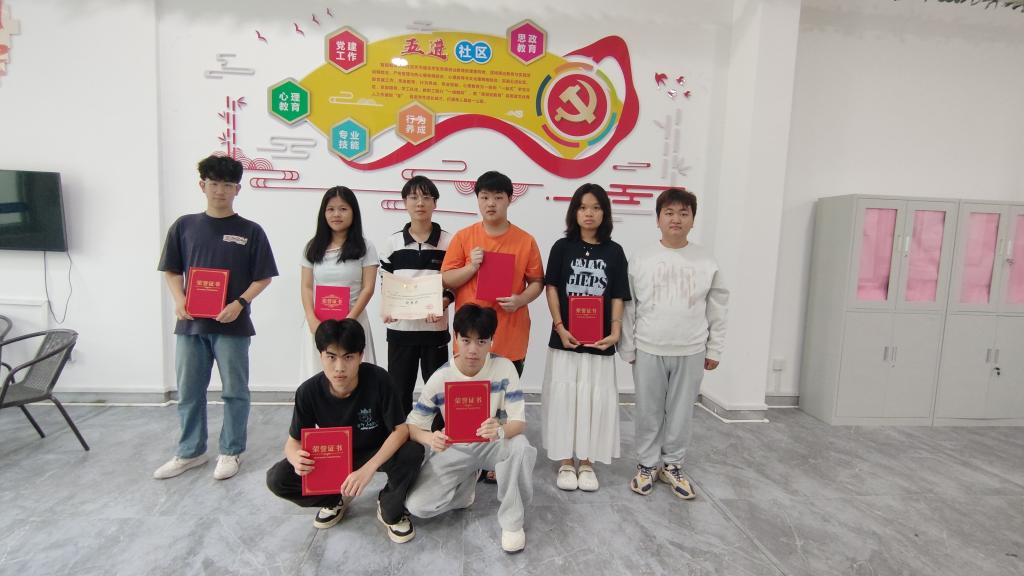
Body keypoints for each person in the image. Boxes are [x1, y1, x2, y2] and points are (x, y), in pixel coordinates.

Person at [154, 154, 278, 481]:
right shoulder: (184, 226)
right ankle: (190, 451)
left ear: (238, 189)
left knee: (235, 391)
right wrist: (180, 300)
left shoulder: (251, 231)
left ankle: (231, 450)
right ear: (202, 185)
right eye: (213, 183)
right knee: (189, 391)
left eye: (227, 184)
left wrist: (240, 302)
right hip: (191, 325)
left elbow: (263, 277)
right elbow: (171, 270)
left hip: (233, 326)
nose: (220, 190)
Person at [265, 319, 424, 542]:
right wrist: (295, 458)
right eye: (331, 357)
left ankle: (389, 506)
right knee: (278, 478)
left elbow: (400, 430)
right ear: (320, 355)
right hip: (335, 456)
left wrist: (368, 469)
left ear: (360, 355)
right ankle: (334, 498)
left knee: (412, 451)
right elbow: (293, 441)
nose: (339, 367)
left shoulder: (379, 380)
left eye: (348, 357)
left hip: (376, 451)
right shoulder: (308, 392)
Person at [618, 188, 729, 500]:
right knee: (648, 410)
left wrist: (715, 348)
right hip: (648, 347)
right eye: (669, 213)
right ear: (658, 219)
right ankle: (646, 464)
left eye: (683, 213)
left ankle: (673, 465)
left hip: (691, 348)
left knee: (681, 412)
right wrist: (628, 346)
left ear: (693, 219)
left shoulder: (706, 260)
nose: (676, 219)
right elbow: (628, 306)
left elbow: (718, 307)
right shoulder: (641, 258)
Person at [404, 304, 536, 554]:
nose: (473, 350)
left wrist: (500, 429)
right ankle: (464, 489)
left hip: (493, 444)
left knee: (520, 446)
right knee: (417, 505)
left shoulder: (504, 368)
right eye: (466, 340)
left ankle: (512, 522)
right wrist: (430, 438)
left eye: (481, 341)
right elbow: (413, 425)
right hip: (455, 448)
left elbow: (519, 422)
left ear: (491, 341)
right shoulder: (441, 378)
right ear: (455, 338)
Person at [540, 184, 630, 492]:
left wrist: (615, 331)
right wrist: (559, 325)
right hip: (566, 339)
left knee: (595, 399)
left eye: (595, 207)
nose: (588, 213)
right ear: (574, 212)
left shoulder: (614, 251)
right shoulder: (561, 247)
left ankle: (588, 462)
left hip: (599, 340)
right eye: (582, 207)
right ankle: (567, 461)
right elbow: (552, 287)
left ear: (605, 212)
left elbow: (618, 294)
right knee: (565, 399)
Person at [440, 170, 543, 377]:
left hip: (510, 336)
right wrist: (471, 267)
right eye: (484, 197)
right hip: (470, 339)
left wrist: (520, 300)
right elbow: (446, 279)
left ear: (510, 199)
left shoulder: (526, 241)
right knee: (469, 395)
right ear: (477, 199)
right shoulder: (463, 237)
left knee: (506, 395)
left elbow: (537, 282)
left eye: (498, 197)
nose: (491, 203)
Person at [378, 176, 455, 415]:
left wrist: (444, 301)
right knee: (399, 390)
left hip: (434, 329)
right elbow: (385, 282)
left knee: (438, 392)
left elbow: (455, 283)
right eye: (413, 197)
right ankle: (401, 434)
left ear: (435, 203)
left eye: (426, 197)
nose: (419, 203)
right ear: (405, 202)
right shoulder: (392, 243)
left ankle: (436, 434)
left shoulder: (449, 242)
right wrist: (388, 307)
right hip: (401, 331)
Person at [301, 186, 379, 378]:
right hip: (319, 325)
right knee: (319, 377)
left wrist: (349, 320)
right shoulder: (312, 247)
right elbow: (306, 286)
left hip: (354, 321)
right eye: (331, 209)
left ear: (353, 212)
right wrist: (311, 319)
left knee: (355, 376)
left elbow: (368, 288)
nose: (336, 214)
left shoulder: (365, 247)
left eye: (343, 209)